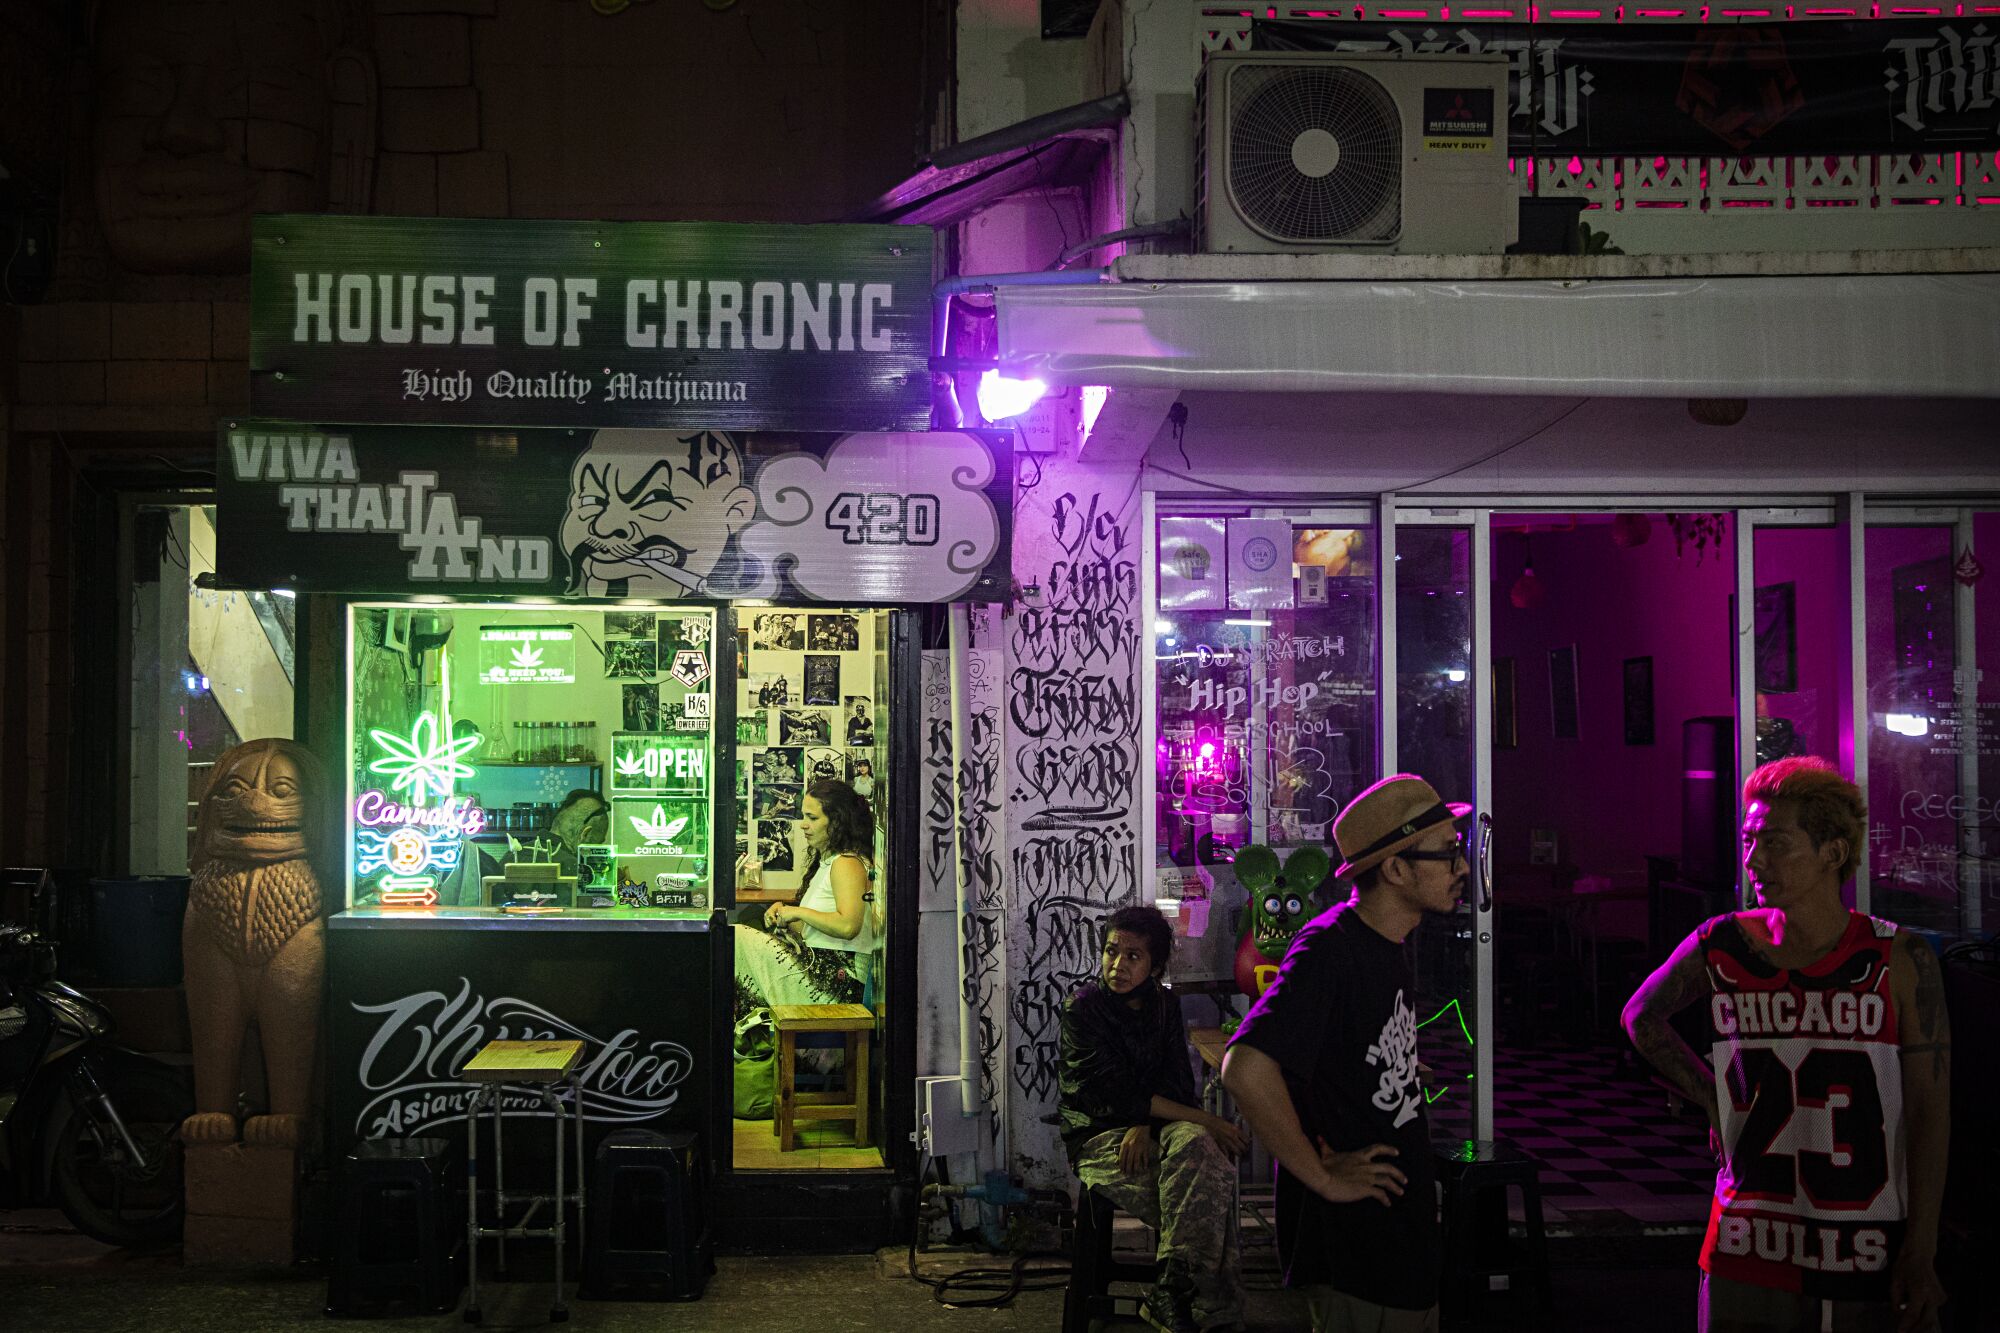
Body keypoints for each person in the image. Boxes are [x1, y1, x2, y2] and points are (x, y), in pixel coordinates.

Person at [1622, 756, 1950, 1333]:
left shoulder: (1897, 957)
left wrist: (1922, 1250)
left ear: (1832, 852)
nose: (1754, 859)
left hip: (1864, 1244)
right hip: (1749, 1237)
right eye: (1750, 841)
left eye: (1774, 843)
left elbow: (1929, 1111)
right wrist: (1712, 1095)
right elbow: (1640, 1017)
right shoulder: (1723, 943)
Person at [1221, 773, 1470, 1333]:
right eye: (1447, 853)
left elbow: (1340, 1048)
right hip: (1359, 1250)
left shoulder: (1386, 945)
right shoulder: (1330, 949)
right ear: (1396, 869)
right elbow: (1247, 1068)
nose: (1462, 868)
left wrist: (1394, 1064)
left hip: (1396, 1240)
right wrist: (1323, 1178)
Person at [1059, 904, 1247, 1333]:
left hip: (1157, 1128)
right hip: (1097, 1135)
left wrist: (1144, 1122)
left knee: (1198, 1148)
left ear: (1155, 966)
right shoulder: (1083, 1008)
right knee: (1209, 1181)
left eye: (1133, 956)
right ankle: (1206, 1307)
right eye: (1111, 951)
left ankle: (1170, 1292)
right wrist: (1210, 1121)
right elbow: (1111, 1092)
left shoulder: (1164, 1005)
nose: (1117, 965)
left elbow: (1177, 1082)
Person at [760, 778, 875, 1006]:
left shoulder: (846, 863)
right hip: (823, 969)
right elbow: (817, 930)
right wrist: (785, 916)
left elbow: (848, 926)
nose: (803, 825)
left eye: (812, 818)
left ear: (837, 822)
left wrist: (798, 912)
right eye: (804, 816)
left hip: (841, 981)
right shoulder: (829, 862)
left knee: (737, 938)